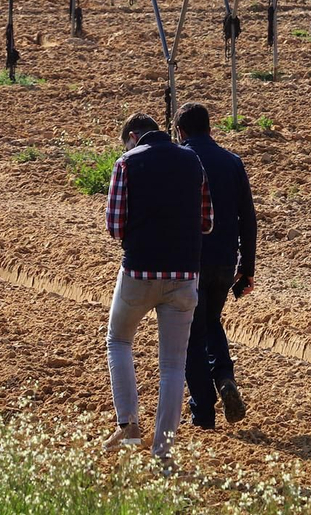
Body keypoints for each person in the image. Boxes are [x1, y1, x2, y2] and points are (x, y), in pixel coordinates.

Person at [103, 112, 213, 460]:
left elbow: (115, 227)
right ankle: (163, 452)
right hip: (184, 275)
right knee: (173, 366)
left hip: (139, 271)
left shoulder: (126, 163)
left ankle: (129, 425)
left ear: (133, 137)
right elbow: (207, 223)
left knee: (118, 340)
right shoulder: (193, 160)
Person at [174, 102, 257, 430]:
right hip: (224, 263)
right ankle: (224, 377)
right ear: (211, 128)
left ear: (180, 132)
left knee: (193, 335)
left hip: (190, 262)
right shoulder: (232, 162)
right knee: (210, 321)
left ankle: (203, 413)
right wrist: (246, 267)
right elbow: (248, 219)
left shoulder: (183, 162)